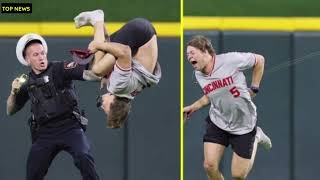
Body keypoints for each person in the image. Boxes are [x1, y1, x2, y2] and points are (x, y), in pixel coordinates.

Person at [7, 33, 100, 180]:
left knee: (83, 156)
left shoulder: (59, 68)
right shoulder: (26, 83)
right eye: (36, 54)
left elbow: (89, 74)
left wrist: (102, 73)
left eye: (42, 53)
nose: (41, 57)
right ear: (27, 59)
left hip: (70, 127)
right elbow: (10, 111)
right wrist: (13, 93)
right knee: (32, 174)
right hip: (45, 134)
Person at [183, 35, 272, 180]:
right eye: (187, 55)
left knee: (238, 175)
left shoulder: (230, 60)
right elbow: (212, 95)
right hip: (219, 121)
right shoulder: (198, 74)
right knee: (209, 166)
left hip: (244, 123)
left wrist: (254, 87)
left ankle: (256, 136)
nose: (189, 57)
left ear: (206, 51)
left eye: (192, 53)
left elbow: (259, 60)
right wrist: (194, 106)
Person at [73, 10, 161, 128]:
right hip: (139, 34)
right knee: (97, 69)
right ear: (113, 104)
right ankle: (97, 20)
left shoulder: (129, 93)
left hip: (145, 34)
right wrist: (97, 46)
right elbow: (125, 52)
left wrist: (106, 74)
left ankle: (99, 25)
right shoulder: (119, 87)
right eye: (105, 108)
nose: (102, 105)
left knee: (101, 66)